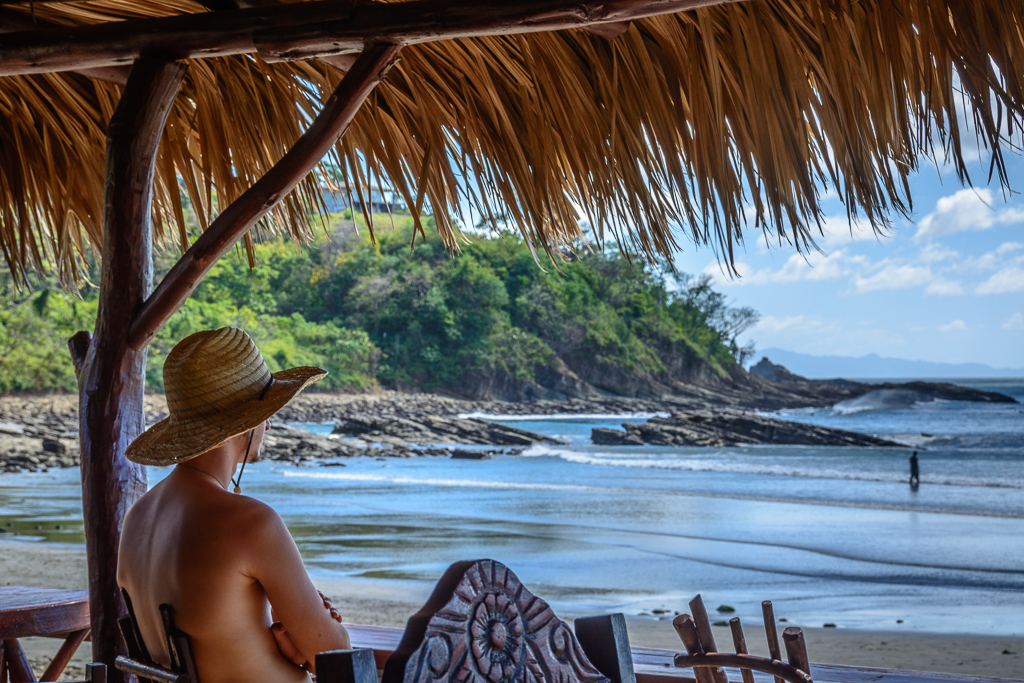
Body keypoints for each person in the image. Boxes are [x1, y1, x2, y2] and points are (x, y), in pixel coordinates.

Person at [118, 327, 350, 683]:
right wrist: (313, 636)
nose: (269, 424)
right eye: (265, 412)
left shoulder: (137, 517)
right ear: (242, 422)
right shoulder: (250, 522)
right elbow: (334, 658)